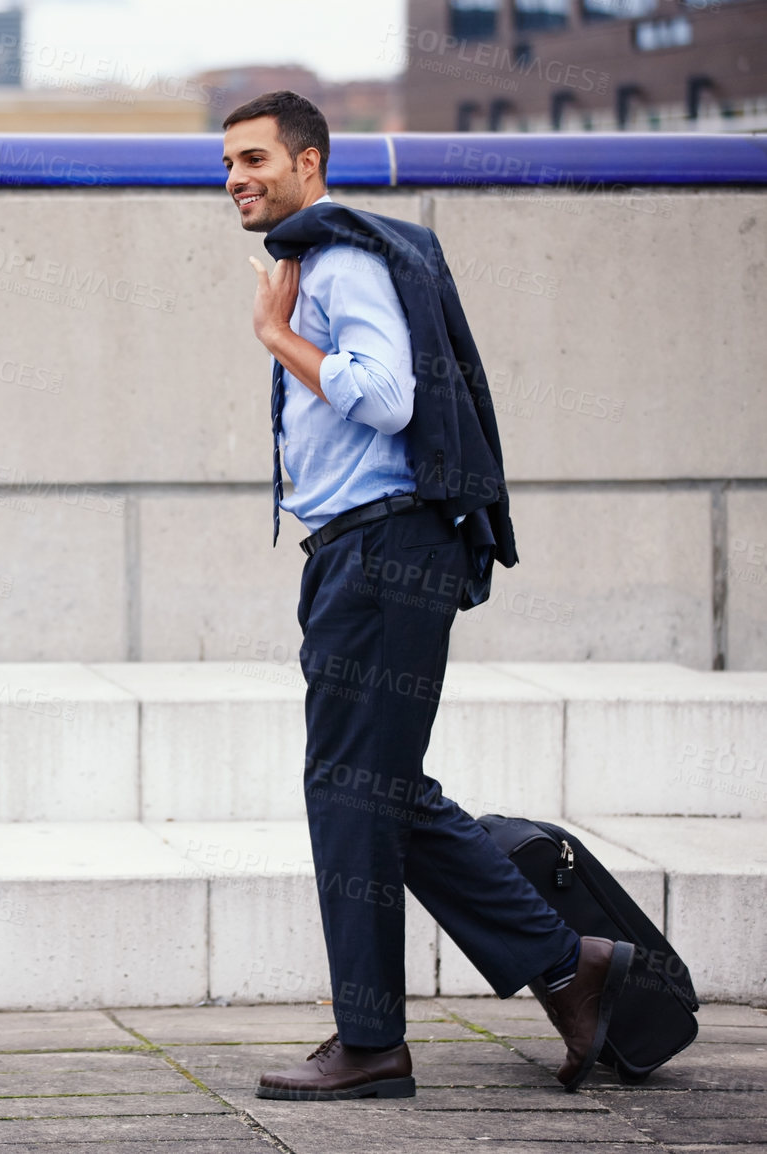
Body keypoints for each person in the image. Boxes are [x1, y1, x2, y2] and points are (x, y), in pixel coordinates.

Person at [220, 90, 633, 1101]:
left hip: (383, 548)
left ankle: (375, 1039)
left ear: (309, 164)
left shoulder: (341, 260)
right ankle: (562, 964)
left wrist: (275, 334)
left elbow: (383, 392)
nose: (235, 177)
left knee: (352, 791)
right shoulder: (318, 256)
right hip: (359, 553)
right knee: (372, 790)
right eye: (227, 162)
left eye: (255, 159)